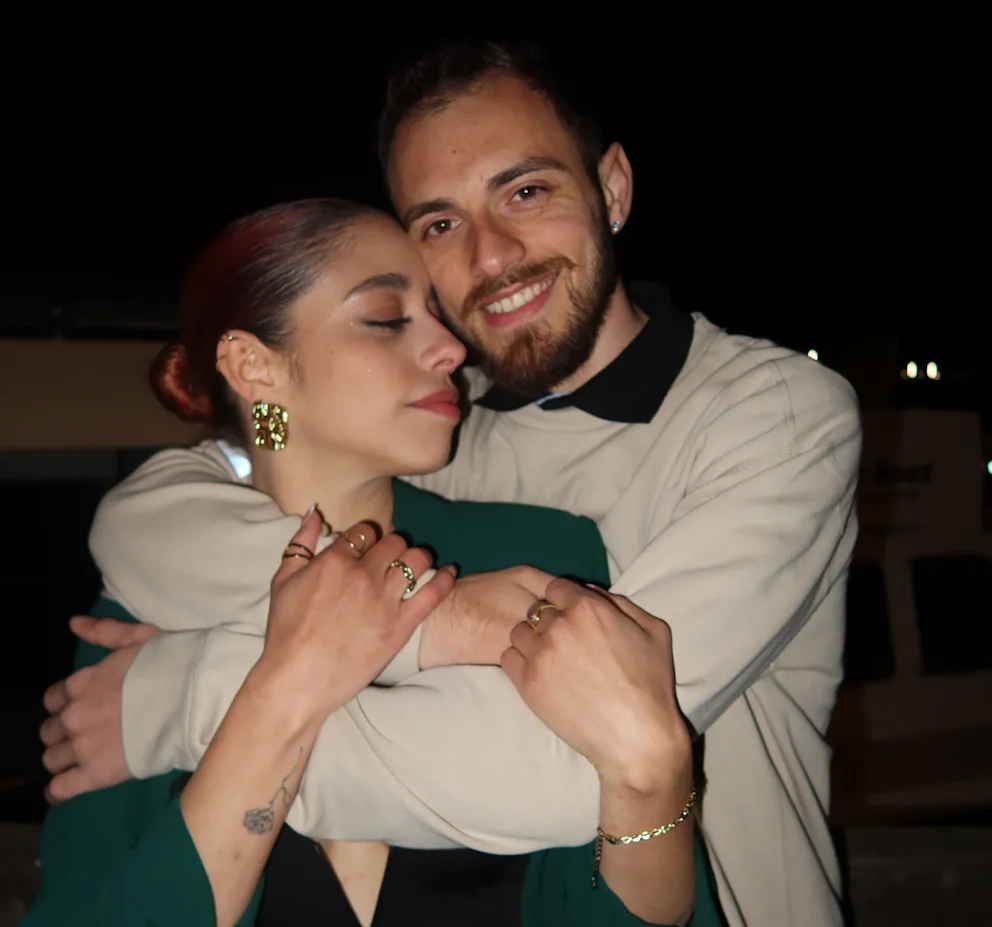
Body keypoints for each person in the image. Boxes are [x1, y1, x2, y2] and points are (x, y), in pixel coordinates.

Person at [41, 38, 861, 927]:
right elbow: (169, 508)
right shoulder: (438, 424)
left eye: (526, 191)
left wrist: (184, 698)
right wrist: (441, 618)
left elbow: (571, 765)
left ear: (613, 189)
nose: (491, 253)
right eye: (439, 224)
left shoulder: (770, 417)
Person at [28, 199, 719, 927]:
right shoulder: (142, 609)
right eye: (386, 318)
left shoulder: (546, 558)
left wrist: (194, 690)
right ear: (253, 366)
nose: (450, 349)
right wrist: (279, 688)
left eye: (438, 314)